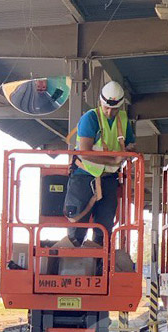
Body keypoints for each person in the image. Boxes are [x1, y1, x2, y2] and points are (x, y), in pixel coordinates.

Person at [63, 81, 136, 247]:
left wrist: (131, 150)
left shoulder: (123, 120)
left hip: (108, 178)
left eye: (114, 109)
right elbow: (85, 152)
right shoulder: (90, 118)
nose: (110, 112)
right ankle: (73, 259)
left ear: (120, 106)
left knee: (104, 228)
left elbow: (130, 144)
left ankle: (99, 260)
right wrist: (114, 160)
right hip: (84, 177)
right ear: (100, 102)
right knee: (77, 227)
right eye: (106, 108)